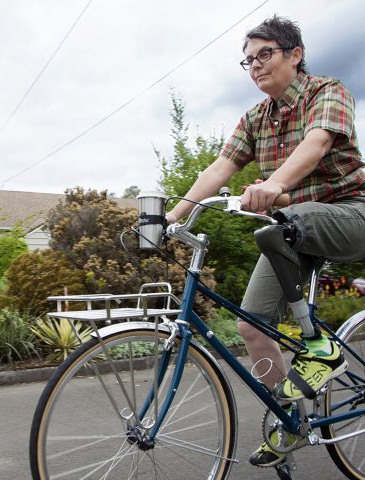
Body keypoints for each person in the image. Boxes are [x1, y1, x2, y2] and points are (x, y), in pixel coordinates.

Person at [166, 15, 365, 468]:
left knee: (279, 220)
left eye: (265, 54)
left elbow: (314, 145)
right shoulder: (255, 118)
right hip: (293, 233)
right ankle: (289, 419)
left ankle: (320, 348)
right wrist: (170, 218)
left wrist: (273, 184)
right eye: (248, 60)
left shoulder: (327, 91)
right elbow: (219, 168)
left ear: (295, 55)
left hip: (353, 215)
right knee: (251, 326)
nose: (255, 66)